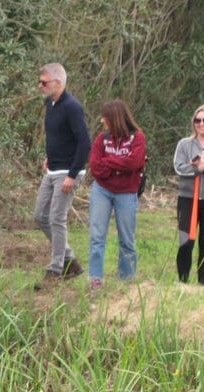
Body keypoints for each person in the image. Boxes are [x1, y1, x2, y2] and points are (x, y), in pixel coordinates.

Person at [33, 63, 89, 285]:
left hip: (68, 172)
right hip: (52, 169)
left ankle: (55, 271)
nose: (40, 86)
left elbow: (84, 143)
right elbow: (57, 136)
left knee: (56, 218)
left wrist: (72, 175)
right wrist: (49, 157)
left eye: (44, 82)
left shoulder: (72, 107)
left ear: (57, 83)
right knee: (40, 216)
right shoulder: (50, 103)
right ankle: (70, 261)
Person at [87, 99, 146, 288]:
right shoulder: (101, 139)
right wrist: (120, 165)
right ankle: (95, 279)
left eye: (105, 117)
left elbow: (134, 163)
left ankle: (126, 281)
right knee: (97, 236)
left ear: (115, 118)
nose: (102, 121)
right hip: (102, 190)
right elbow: (95, 167)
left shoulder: (137, 138)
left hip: (127, 193)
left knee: (127, 239)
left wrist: (108, 161)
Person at [173, 104, 204, 285]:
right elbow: (178, 167)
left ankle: (202, 283)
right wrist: (196, 169)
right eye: (198, 120)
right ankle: (183, 282)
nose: (201, 124)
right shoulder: (184, 144)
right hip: (187, 199)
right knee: (185, 241)